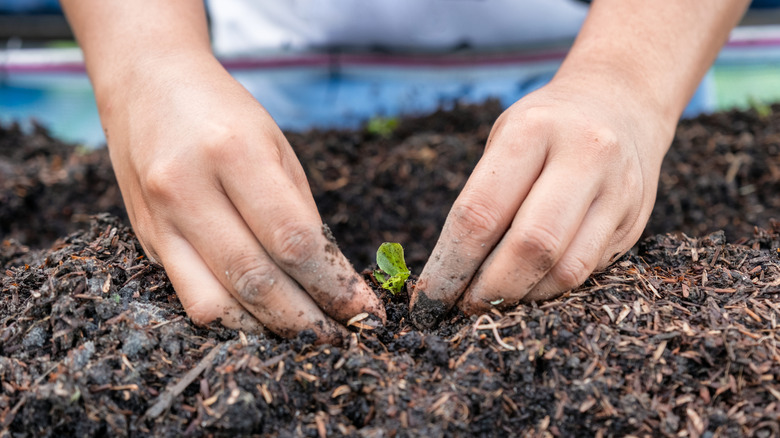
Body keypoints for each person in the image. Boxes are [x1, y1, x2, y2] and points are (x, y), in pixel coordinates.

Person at [59, 0, 751, 343]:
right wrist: (148, 66)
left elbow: (631, 81)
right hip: (257, 82)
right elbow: (148, 64)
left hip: (613, 59)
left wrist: (629, 79)